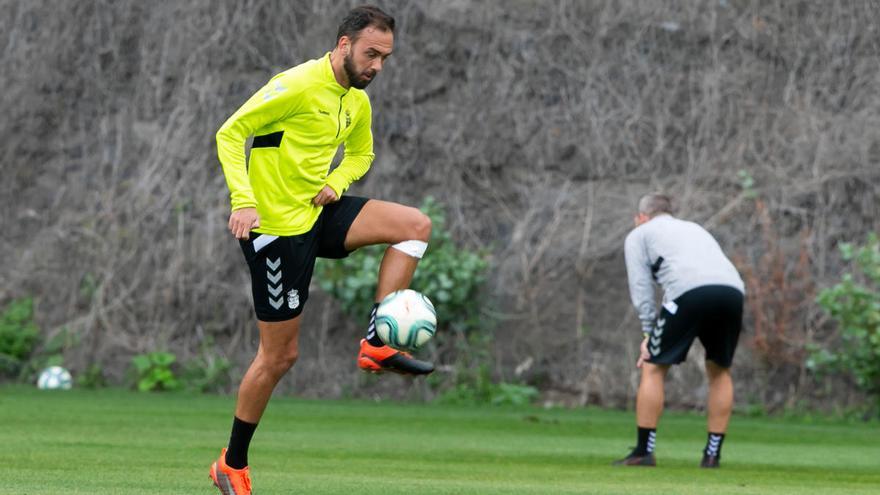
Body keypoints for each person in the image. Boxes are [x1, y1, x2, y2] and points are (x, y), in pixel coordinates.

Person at [210, 6, 434, 494]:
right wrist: (243, 201)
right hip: (276, 231)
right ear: (343, 44)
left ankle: (378, 341)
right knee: (279, 358)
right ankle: (231, 462)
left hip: (317, 212)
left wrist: (337, 181)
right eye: (370, 53)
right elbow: (230, 134)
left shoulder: (355, 100)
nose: (377, 66)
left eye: (385, 57)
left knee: (414, 225)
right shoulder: (294, 85)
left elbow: (362, 153)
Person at [614, 193, 745, 468]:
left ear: (641, 218)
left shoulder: (639, 234)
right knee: (720, 370)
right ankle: (712, 456)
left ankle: (643, 452)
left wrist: (648, 334)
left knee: (653, 366)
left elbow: (642, 289)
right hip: (732, 291)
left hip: (690, 292)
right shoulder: (694, 228)